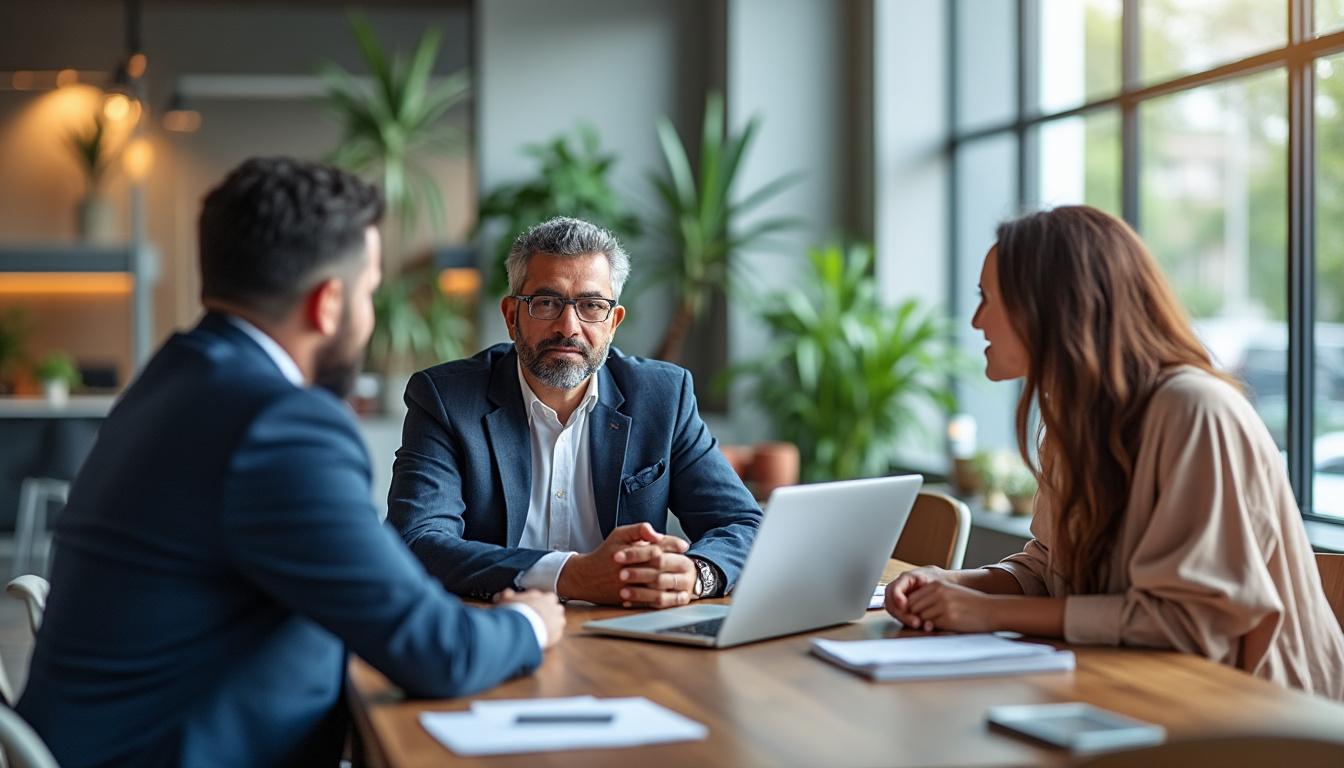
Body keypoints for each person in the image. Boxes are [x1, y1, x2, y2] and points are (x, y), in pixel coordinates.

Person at [17, 158, 565, 767]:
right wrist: (532, 623)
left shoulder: (172, 380)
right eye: (368, 291)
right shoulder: (277, 423)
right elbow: (437, 650)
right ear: (328, 303)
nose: (370, 314)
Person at [885, 205, 1344, 700]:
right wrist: (954, 585)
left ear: (1053, 306)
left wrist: (989, 613)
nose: (976, 320)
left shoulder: (1195, 412)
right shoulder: (1073, 419)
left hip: (1264, 719)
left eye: (987, 298)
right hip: (1142, 691)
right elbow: (1048, 569)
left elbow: (1192, 624)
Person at [388, 216, 762, 608]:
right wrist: (569, 575)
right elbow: (416, 541)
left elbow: (742, 523)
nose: (569, 326)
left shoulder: (663, 397)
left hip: (628, 634)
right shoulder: (446, 398)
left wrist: (697, 574)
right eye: (546, 303)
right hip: (498, 629)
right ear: (512, 315)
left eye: (590, 306)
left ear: (613, 322)